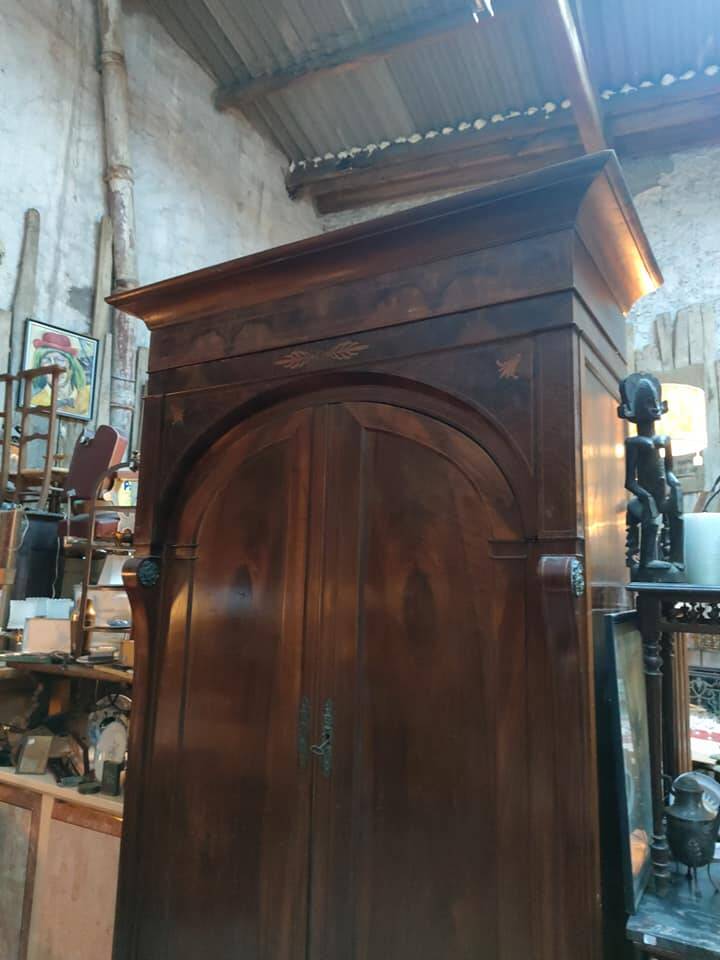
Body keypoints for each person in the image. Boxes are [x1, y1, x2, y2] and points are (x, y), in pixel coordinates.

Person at [30, 330, 91, 417]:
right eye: (47, 360)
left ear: (71, 365)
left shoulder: (88, 394)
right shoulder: (36, 401)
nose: (54, 366)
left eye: (59, 360)